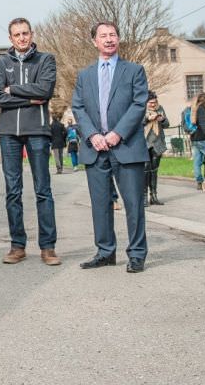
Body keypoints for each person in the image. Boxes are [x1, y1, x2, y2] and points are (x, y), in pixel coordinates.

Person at [72, 21, 149, 273]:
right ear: (94, 41)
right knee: (100, 204)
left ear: (118, 39)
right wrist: (92, 134)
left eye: (113, 35)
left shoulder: (134, 70)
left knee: (134, 204)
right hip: (95, 149)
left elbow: (139, 104)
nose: (108, 39)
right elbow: (78, 108)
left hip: (126, 146)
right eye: (103, 36)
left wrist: (118, 133)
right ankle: (105, 252)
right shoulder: (84, 75)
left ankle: (136, 254)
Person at [0, 17, 61, 266]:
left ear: (31, 34)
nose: (21, 38)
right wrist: (29, 97)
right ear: (10, 38)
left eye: (25, 33)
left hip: (37, 130)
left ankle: (48, 247)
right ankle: (17, 245)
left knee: (43, 190)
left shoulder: (45, 60)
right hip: (8, 132)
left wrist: (14, 90)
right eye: (17, 34)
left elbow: (45, 91)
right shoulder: (1, 62)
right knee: (13, 191)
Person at [143, 90, 169, 206]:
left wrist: (162, 119)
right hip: (145, 143)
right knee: (145, 170)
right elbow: (136, 124)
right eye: (151, 103)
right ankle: (144, 197)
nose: (153, 105)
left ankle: (154, 196)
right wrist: (148, 119)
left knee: (154, 171)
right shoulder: (141, 109)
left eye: (155, 102)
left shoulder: (160, 109)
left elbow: (167, 124)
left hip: (157, 143)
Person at [189, 92, 205, 191]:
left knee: (197, 161)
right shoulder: (201, 108)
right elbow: (202, 122)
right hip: (202, 137)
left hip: (194, 137)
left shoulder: (194, 108)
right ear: (204, 99)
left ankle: (199, 181)